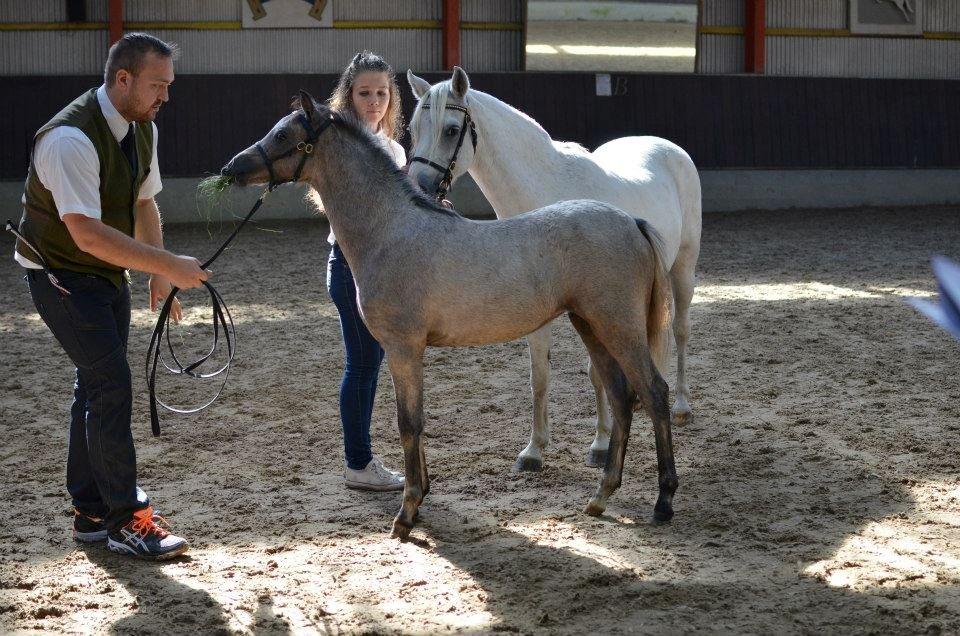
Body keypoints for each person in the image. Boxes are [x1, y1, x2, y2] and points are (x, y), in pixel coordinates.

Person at [12, 33, 210, 560]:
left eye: (168, 86)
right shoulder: (68, 139)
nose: (165, 96)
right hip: (61, 274)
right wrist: (168, 264)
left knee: (95, 385)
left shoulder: (142, 128)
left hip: (106, 276)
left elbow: (145, 203)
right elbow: (87, 235)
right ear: (122, 80)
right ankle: (127, 518)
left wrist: (159, 276)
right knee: (110, 384)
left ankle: (91, 511)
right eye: (157, 85)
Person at [326, 51, 407, 491]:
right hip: (350, 264)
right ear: (349, 96)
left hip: (388, 267)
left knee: (371, 362)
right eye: (364, 93)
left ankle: (361, 459)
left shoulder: (393, 148)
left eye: (381, 93)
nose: (374, 101)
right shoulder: (338, 143)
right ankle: (358, 463)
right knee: (362, 364)